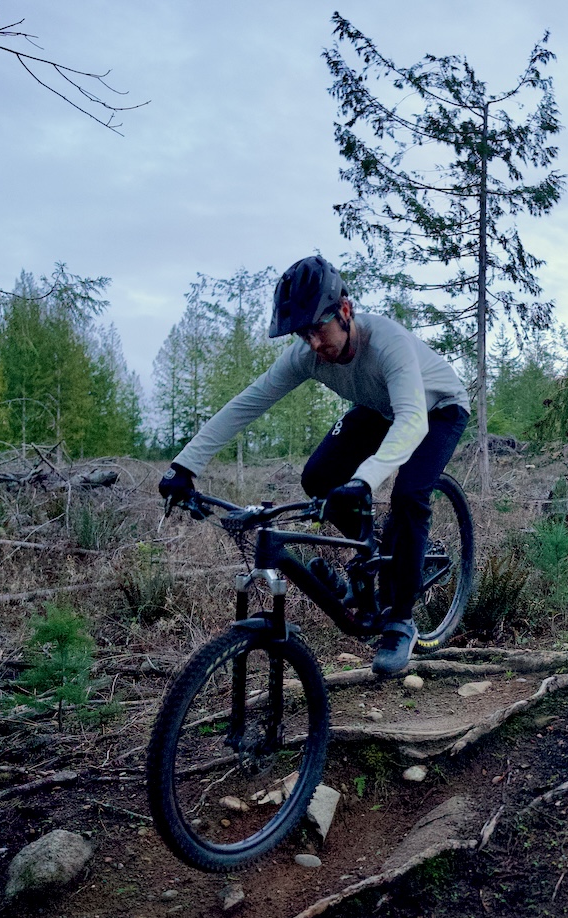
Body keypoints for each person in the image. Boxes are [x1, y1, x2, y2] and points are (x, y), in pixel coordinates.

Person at [159, 256, 470, 676]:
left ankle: (400, 619)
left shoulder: (387, 342)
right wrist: (185, 466)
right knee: (319, 479)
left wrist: (364, 480)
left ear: (345, 310)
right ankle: (373, 559)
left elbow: (413, 419)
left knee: (410, 494)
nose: (314, 344)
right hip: (377, 408)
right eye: (303, 334)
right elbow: (249, 402)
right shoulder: (308, 354)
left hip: (438, 410)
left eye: (318, 329)